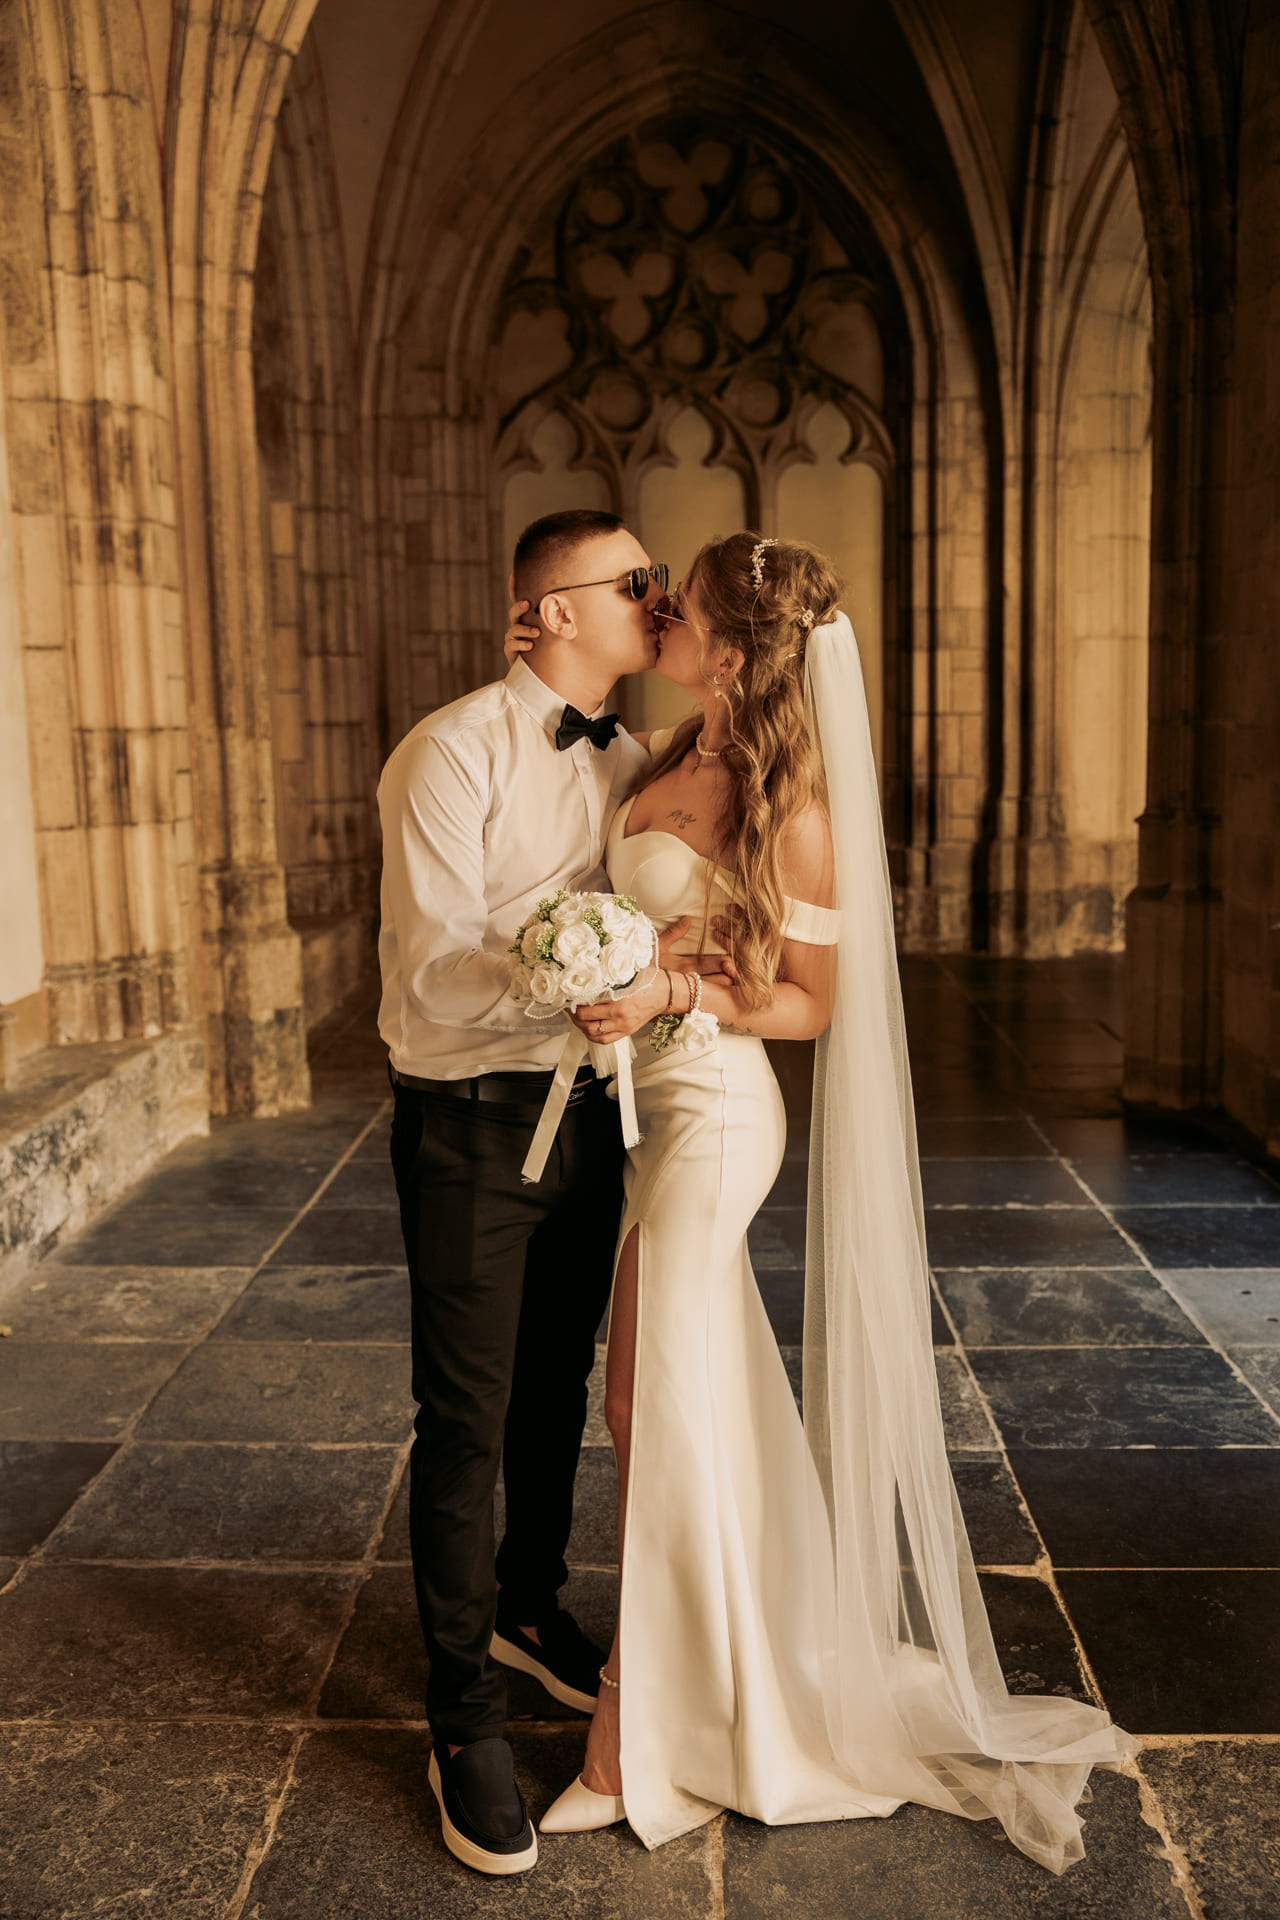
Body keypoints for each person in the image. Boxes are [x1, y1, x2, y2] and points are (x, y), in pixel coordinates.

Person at [503, 531, 1137, 1873]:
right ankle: (724, 1675)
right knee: (672, 1405)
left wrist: (672, 988)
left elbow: (809, 1004)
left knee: (644, 1406)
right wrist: (547, 676)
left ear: (735, 655)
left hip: (717, 1119)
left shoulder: (795, 812)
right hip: (644, 1112)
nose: (659, 615)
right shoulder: (666, 754)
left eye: (681, 607)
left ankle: (629, 1730)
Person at [378, 507, 696, 1877]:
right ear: (553, 609)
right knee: (465, 1413)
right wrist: (568, 967)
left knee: (560, 1378)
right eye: (635, 583)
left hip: (593, 1115)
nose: (656, 598)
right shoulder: (449, 752)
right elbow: (434, 967)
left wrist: (645, 980)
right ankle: (462, 1717)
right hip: (469, 1118)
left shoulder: (633, 761)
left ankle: (526, 1604)